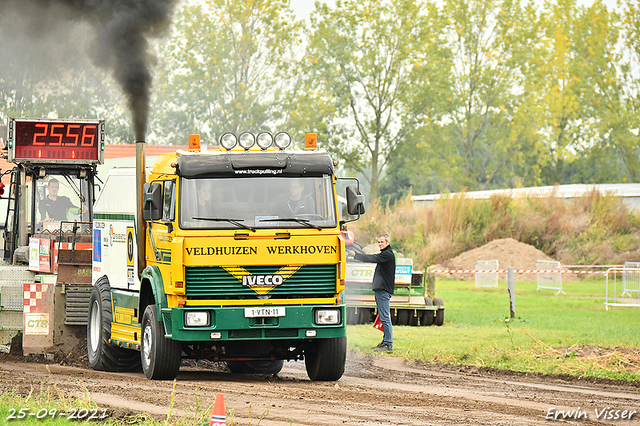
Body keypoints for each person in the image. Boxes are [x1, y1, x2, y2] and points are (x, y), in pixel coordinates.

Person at [349, 233, 396, 352]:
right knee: (383, 316)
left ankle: (388, 344)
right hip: (381, 290)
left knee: (385, 317)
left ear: (388, 243)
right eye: (379, 242)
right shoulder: (385, 254)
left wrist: (356, 255)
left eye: (382, 242)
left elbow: (372, 258)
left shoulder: (387, 255)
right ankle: (385, 342)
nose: (380, 244)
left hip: (384, 290)